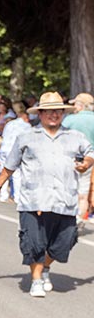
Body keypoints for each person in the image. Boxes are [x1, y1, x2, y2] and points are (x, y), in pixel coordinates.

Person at [0, 92, 94, 297]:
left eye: (58, 111)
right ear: (41, 113)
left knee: (65, 242)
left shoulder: (74, 137)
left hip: (65, 200)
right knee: (34, 242)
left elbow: (90, 152)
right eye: (50, 111)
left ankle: (45, 266)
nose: (54, 114)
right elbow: (10, 165)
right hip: (33, 200)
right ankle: (36, 280)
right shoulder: (27, 137)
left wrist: (85, 164)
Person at [62, 92, 94, 222]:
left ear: (80, 106)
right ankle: (80, 217)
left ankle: (68, 216)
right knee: (83, 191)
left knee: (67, 186)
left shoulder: (70, 119)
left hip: (70, 156)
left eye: (75, 104)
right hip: (90, 157)